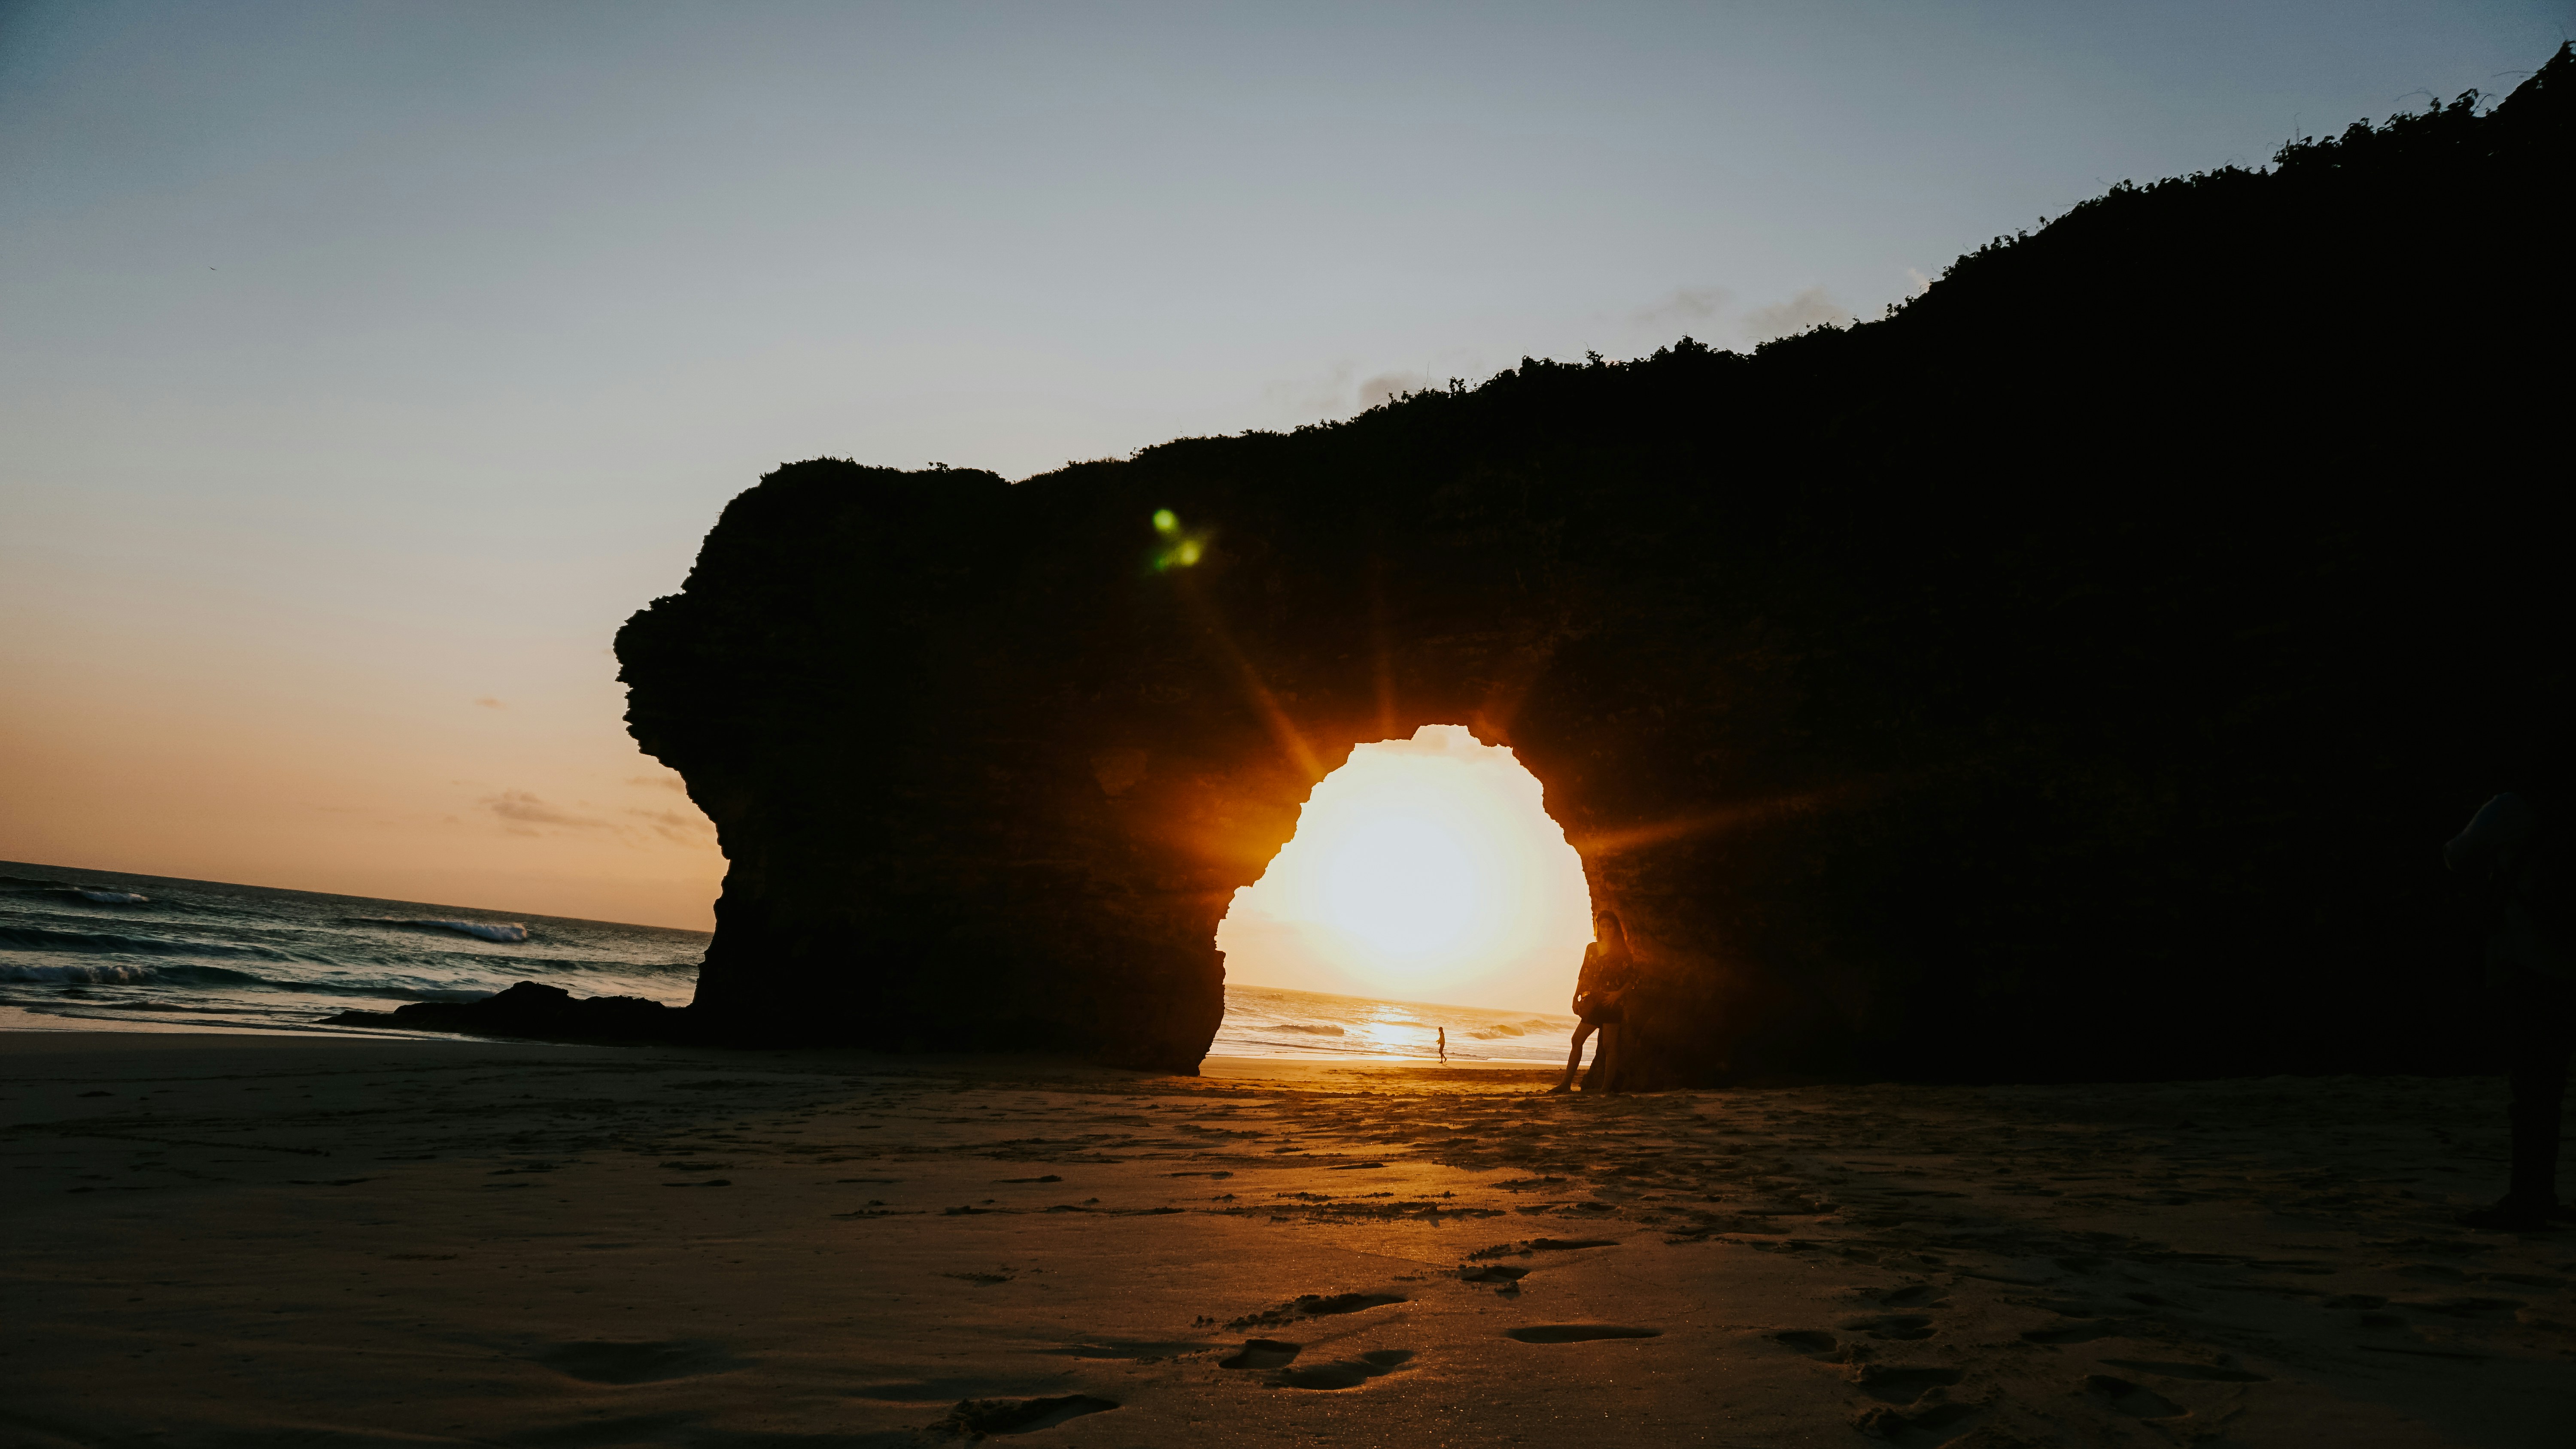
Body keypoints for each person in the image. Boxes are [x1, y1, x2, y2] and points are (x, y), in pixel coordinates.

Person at [2445, 791, 2576, 1231]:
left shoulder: (2510, 809)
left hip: (2528, 963)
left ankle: (2530, 1197)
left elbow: (2455, 855)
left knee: (2532, 1092)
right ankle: (2537, 1194)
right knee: (2548, 1089)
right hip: (2567, 965)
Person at [1549, 909, 1634, 1094]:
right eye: (1602, 926)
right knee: (1577, 1039)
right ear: (1599, 928)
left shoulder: (1622, 952)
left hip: (1612, 1003)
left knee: (1609, 1046)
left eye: (1609, 926)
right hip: (1593, 1001)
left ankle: (1606, 1088)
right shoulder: (1592, 948)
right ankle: (1565, 1084)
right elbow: (1584, 974)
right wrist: (1576, 996)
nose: (1606, 929)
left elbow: (1632, 979)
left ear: (1615, 928)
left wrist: (1617, 995)